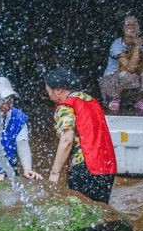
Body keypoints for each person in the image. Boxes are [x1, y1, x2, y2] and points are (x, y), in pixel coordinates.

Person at [44, 67, 118, 204]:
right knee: (101, 211)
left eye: (48, 90)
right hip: (107, 165)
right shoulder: (91, 101)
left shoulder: (65, 107)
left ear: (58, 90)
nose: (48, 95)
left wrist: (54, 173)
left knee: (80, 211)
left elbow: (67, 140)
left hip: (86, 167)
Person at [99, 14, 143, 112]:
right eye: (129, 25)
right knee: (129, 75)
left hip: (131, 82)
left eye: (135, 24)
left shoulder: (142, 43)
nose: (132, 27)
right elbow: (130, 68)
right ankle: (115, 99)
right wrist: (137, 46)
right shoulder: (117, 45)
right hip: (111, 82)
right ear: (123, 28)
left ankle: (139, 101)